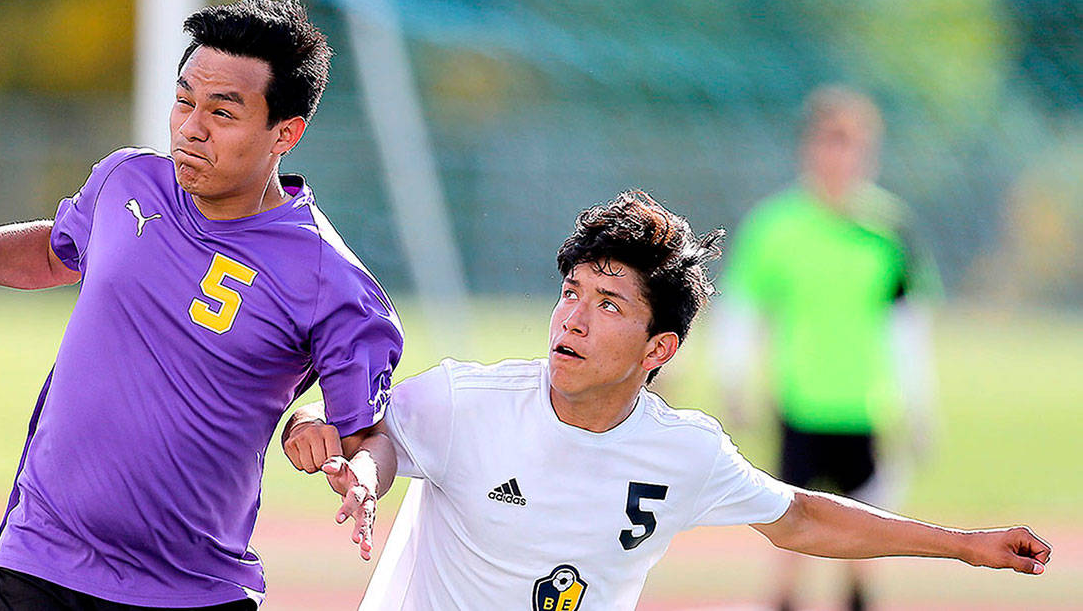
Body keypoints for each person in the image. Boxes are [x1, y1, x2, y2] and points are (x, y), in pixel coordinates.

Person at [0, 0, 403, 610]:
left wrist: (359, 473)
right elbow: (55, 253)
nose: (192, 126)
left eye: (223, 112)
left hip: (194, 591)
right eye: (184, 100)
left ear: (286, 133)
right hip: (41, 560)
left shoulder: (332, 280)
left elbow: (366, 434)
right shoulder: (126, 181)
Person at [281, 190, 1049, 611]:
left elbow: (802, 517)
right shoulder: (469, 400)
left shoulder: (685, 452)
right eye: (570, 293)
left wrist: (963, 544)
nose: (572, 318)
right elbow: (373, 432)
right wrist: (334, 444)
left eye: (609, 304)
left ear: (659, 351)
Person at [714, 86, 939, 611]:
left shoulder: (889, 229)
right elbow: (743, 310)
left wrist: (919, 406)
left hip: (865, 405)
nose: (839, 156)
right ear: (808, 149)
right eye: (829, 142)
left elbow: (905, 324)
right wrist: (734, 381)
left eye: (851, 144)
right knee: (790, 534)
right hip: (799, 401)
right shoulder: (777, 227)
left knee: (865, 540)